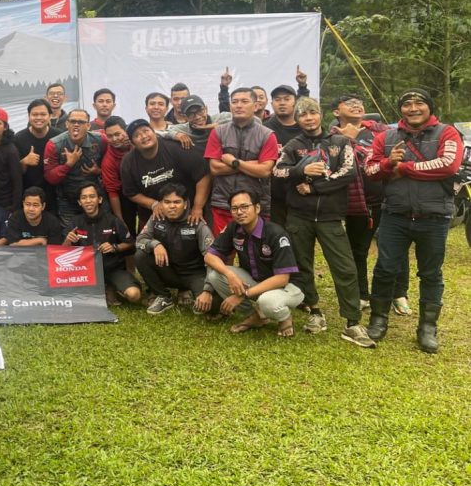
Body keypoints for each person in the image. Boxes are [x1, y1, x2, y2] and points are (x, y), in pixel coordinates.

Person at [365, 89, 464, 353]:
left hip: (434, 216)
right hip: (394, 215)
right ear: (401, 109)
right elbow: (369, 169)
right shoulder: (386, 137)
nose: (413, 108)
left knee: (431, 273)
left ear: (429, 107)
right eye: (407, 104)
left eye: (419, 103)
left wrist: (404, 168)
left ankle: (427, 328)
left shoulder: (447, 133)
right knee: (385, 269)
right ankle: (378, 320)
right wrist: (388, 164)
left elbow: (448, 165)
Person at [273, 98, 374, 347]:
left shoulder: (340, 142)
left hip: (331, 216)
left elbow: (348, 172)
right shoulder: (293, 145)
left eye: (313, 113)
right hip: (299, 216)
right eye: (303, 114)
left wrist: (315, 187)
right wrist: (301, 171)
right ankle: (315, 311)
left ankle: (352, 322)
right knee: (302, 265)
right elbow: (277, 171)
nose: (309, 118)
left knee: (345, 267)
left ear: (321, 115)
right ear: (297, 119)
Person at [201, 188, 304, 337]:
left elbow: (282, 278)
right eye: (235, 208)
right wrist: (230, 274)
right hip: (258, 281)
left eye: (244, 207)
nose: (239, 212)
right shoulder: (234, 227)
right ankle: (256, 316)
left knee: (267, 301)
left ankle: (284, 318)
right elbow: (209, 257)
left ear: (257, 208)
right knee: (215, 275)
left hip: (288, 286)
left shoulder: (276, 233)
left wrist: (243, 295)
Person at [329, 94, 389, 310]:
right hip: (355, 203)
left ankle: (397, 294)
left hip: (385, 200)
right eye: (349, 104)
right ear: (336, 112)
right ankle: (362, 294)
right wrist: (349, 140)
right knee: (359, 250)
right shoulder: (331, 137)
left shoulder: (380, 132)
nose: (356, 106)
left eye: (359, 103)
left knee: (391, 249)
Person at [205, 86, 279, 234]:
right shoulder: (218, 132)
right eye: (235, 102)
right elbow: (215, 168)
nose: (239, 105)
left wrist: (234, 162)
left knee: (256, 246)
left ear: (256, 106)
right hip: (223, 203)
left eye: (244, 101)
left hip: (256, 205)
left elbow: (265, 171)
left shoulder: (267, 135)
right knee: (222, 247)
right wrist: (251, 165)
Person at [134, 183, 214, 315]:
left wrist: (208, 290)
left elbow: (212, 257)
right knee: (140, 255)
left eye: (177, 202)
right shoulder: (156, 218)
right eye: (167, 202)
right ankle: (163, 296)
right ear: (161, 204)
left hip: (194, 275)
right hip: (168, 271)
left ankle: (195, 293)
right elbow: (139, 241)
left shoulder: (196, 223)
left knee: (211, 307)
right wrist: (155, 244)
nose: (172, 206)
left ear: (185, 204)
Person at [119, 118, 210, 231]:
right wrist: (153, 204)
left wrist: (197, 207)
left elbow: (203, 175)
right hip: (154, 218)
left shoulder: (175, 148)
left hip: (188, 213)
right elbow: (131, 192)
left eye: (146, 131)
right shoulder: (128, 163)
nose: (143, 136)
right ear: (132, 143)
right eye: (137, 135)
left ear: (154, 133)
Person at [65, 183, 137, 306]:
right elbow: (62, 251)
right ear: (79, 202)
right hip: (85, 272)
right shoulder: (75, 222)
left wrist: (114, 247)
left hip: (112, 269)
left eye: (92, 196)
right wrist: (68, 240)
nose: (88, 201)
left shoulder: (113, 220)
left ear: (99, 199)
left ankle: (111, 287)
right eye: (84, 197)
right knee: (78, 301)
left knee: (134, 295)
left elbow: (130, 243)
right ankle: (105, 289)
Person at [44, 108, 106, 230]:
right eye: (73, 121)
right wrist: (68, 165)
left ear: (88, 126)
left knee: (104, 232)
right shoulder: (54, 145)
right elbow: (50, 177)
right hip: (68, 200)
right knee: (70, 235)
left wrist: (99, 171)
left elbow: (112, 167)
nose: (76, 125)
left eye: (81, 122)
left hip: (95, 198)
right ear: (67, 124)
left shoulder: (101, 140)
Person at [263, 84, 301, 227]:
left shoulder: (305, 127)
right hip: (274, 195)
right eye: (277, 99)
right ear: (272, 103)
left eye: (286, 99)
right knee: (277, 234)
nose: (282, 103)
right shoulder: (264, 128)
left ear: (295, 102)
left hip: (301, 192)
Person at [13, 98, 56, 210]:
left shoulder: (58, 137)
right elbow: (13, 173)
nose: (39, 118)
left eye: (43, 114)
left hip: (54, 196)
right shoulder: (18, 139)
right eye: (35, 114)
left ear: (50, 116)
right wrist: (24, 162)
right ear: (28, 116)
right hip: (28, 198)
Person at [162, 95, 230, 155]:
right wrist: (176, 135)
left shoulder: (220, 118)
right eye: (191, 114)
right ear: (185, 117)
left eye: (200, 111)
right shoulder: (183, 129)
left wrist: (218, 127)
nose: (197, 117)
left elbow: (234, 118)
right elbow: (163, 132)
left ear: (206, 109)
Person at [99, 116, 135, 224]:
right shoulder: (108, 161)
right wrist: (119, 219)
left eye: (117, 134)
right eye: (110, 136)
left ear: (126, 131)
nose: (114, 139)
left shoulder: (137, 142)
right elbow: (112, 191)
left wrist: (133, 144)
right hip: (125, 193)